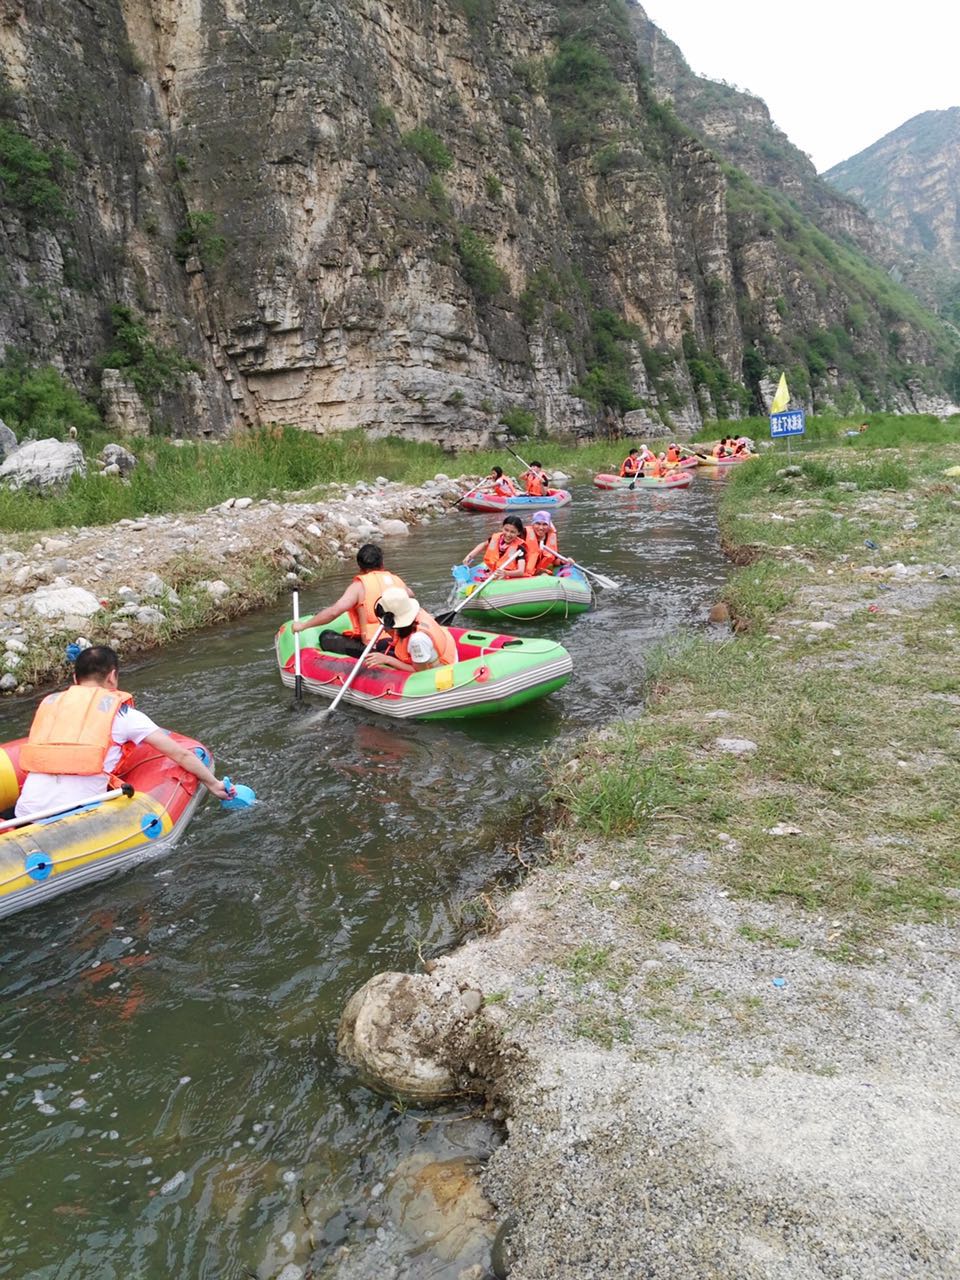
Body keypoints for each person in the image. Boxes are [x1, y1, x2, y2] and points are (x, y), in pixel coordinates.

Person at [14, 645, 232, 821]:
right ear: (112, 676)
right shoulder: (123, 715)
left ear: (75, 678)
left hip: (24, 813)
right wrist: (214, 784)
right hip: (74, 818)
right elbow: (181, 754)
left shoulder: (51, 705)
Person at [292, 543, 413, 657]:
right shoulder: (397, 581)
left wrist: (303, 626)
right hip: (400, 642)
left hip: (373, 646)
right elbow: (411, 597)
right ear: (382, 563)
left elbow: (334, 612)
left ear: (360, 567)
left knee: (326, 637)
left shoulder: (359, 586)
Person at [365, 588, 456, 673]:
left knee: (383, 654)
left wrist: (387, 659)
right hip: (426, 654)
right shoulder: (416, 611)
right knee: (382, 644)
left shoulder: (417, 639)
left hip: (433, 670)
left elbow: (420, 672)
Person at [524, 511, 562, 577]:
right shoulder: (524, 534)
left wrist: (563, 561)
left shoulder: (551, 537)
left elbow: (554, 560)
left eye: (545, 524)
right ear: (533, 524)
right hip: (523, 572)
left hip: (541, 572)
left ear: (549, 526)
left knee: (545, 574)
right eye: (538, 524)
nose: (541, 528)